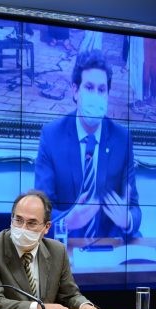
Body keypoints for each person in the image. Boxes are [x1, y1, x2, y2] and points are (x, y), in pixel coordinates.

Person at [34, 49, 141, 240]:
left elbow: (134, 208)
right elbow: (41, 211)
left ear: (108, 94)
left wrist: (127, 219)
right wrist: (67, 221)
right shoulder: (52, 136)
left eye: (101, 90)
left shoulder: (122, 139)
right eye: (89, 87)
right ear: (75, 91)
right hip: (65, 249)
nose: (96, 95)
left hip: (109, 250)